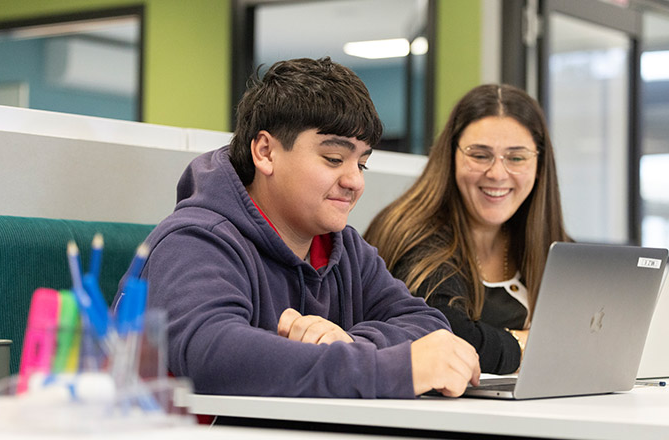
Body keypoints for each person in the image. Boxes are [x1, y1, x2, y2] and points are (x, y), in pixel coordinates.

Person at [114, 57, 480, 398]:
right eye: (333, 158)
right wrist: (388, 367)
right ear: (265, 152)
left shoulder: (344, 248)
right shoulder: (195, 241)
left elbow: (428, 325)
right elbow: (215, 357)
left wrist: (346, 342)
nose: (355, 181)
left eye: (361, 164)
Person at [364, 84, 571, 375]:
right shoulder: (413, 234)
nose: (497, 173)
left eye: (516, 158)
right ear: (451, 156)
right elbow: (446, 335)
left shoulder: (548, 241)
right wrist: (529, 345)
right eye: (480, 155)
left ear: (539, 165)